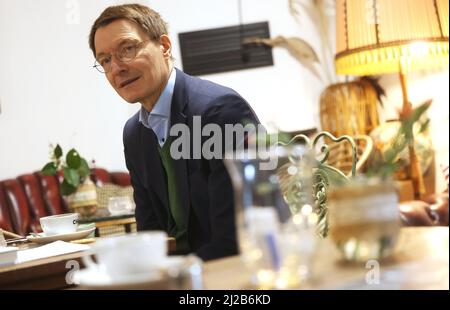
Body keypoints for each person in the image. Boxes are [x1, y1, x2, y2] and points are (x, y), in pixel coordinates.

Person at [89, 4, 260, 261]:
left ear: (165, 47)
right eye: (105, 60)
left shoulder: (220, 111)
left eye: (127, 48)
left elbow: (236, 237)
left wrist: (172, 276)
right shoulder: (134, 134)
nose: (116, 68)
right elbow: (151, 232)